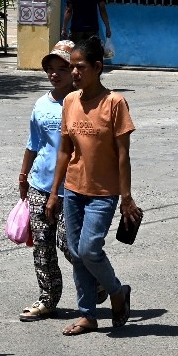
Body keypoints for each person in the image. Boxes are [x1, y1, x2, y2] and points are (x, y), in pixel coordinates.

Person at [47, 36, 138, 336]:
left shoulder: (115, 103)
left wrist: (126, 197)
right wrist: (54, 192)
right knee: (76, 251)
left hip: (104, 192)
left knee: (88, 248)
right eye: (72, 67)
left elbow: (123, 155)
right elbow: (64, 150)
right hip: (73, 189)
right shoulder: (70, 101)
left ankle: (115, 291)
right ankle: (88, 315)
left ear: (98, 67)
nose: (73, 73)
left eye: (80, 67)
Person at [16, 40, 84, 321]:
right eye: (50, 69)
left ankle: (101, 283)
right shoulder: (42, 104)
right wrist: (23, 175)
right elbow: (34, 143)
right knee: (42, 245)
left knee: (70, 244)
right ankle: (48, 299)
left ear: (74, 71)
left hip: (72, 186)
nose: (55, 74)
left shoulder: (82, 102)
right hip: (40, 183)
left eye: (62, 68)